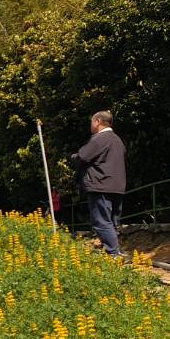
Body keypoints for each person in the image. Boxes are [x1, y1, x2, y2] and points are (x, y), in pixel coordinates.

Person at [70, 110, 127, 257]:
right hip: (117, 186)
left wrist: (73, 157)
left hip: (100, 185)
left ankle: (113, 254)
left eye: (91, 122)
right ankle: (115, 251)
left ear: (98, 122)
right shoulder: (117, 140)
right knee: (112, 221)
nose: (91, 125)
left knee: (101, 221)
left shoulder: (100, 139)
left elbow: (82, 156)